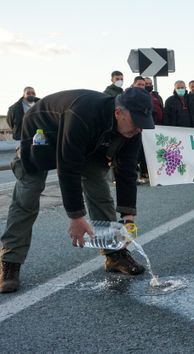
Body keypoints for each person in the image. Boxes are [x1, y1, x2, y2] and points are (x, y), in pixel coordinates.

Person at [0, 88, 155, 293]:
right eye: (135, 122)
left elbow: (126, 171)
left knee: (99, 190)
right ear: (118, 113)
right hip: (43, 132)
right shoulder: (83, 113)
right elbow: (68, 166)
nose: (139, 129)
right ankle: (10, 261)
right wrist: (76, 216)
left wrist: (128, 217)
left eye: (143, 124)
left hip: (88, 143)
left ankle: (114, 255)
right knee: (28, 194)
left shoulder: (132, 130)